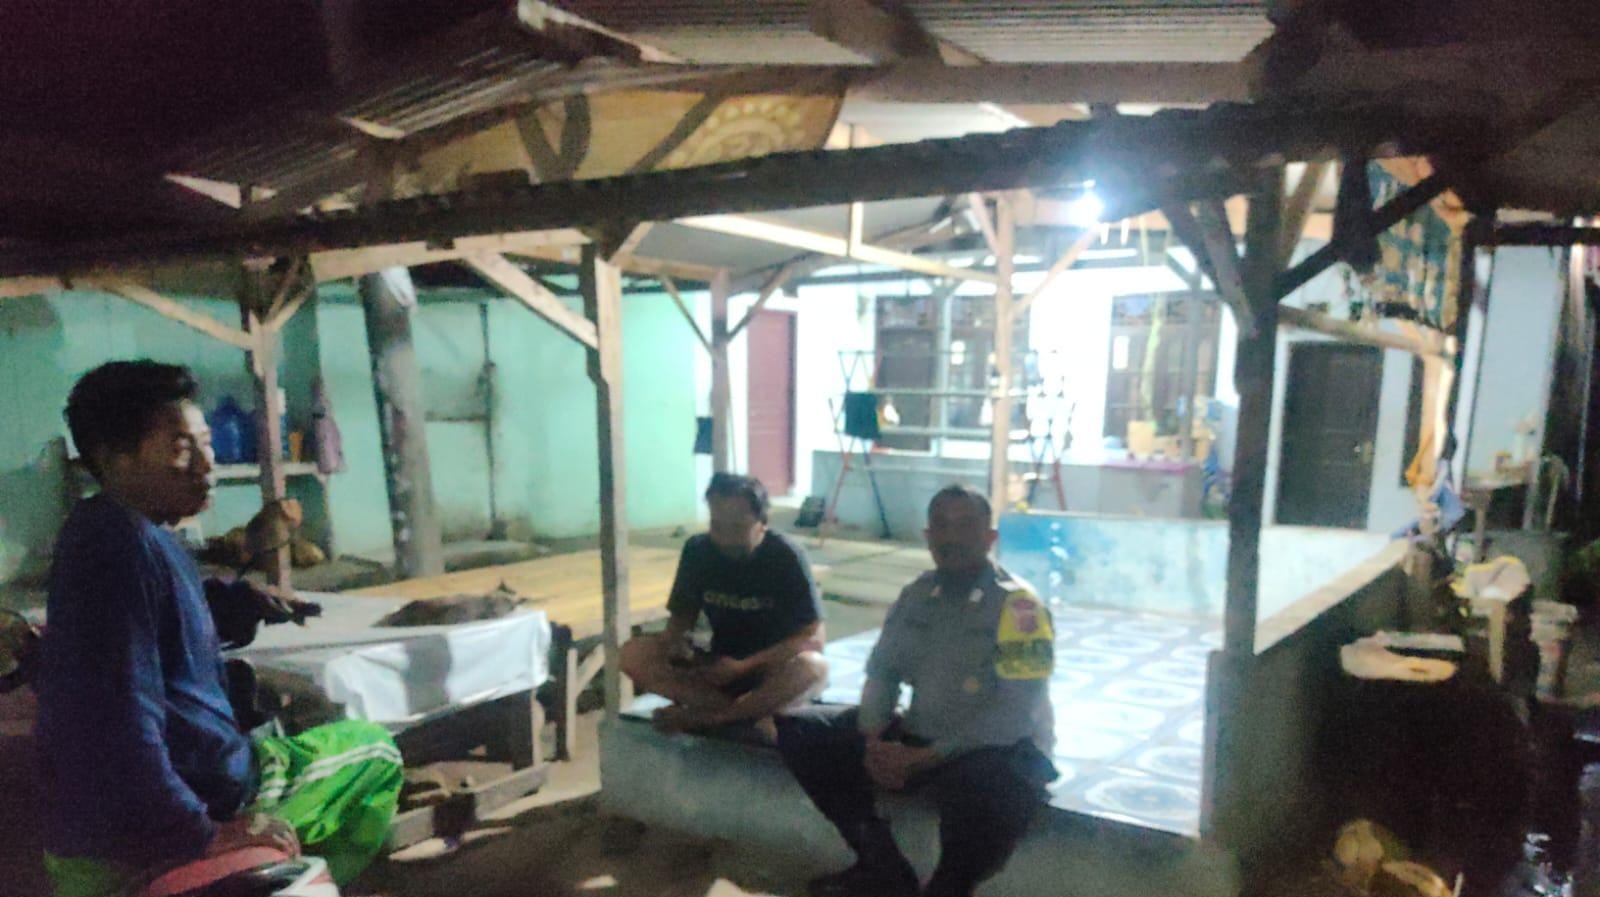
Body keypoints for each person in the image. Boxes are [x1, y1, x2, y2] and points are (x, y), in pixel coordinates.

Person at [35, 360, 403, 897]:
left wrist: (237, 605)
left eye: (206, 444)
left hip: (106, 826)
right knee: (374, 752)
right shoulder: (124, 548)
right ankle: (256, 873)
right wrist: (200, 834)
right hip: (166, 822)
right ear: (112, 456)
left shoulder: (119, 531)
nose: (207, 464)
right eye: (181, 448)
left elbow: (158, 622)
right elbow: (118, 722)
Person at [775, 484, 1058, 897]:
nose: (951, 537)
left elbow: (1014, 716)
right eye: (941, 525)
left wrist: (926, 757)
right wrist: (873, 741)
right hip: (922, 738)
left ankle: (950, 885)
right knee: (802, 728)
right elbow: (883, 673)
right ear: (927, 536)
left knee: (988, 786)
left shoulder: (1019, 607)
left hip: (996, 750)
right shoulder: (917, 595)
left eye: (965, 525)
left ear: (990, 537)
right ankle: (880, 864)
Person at [621, 472, 826, 734]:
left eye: (737, 529)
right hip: (718, 665)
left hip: (771, 668)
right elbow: (681, 617)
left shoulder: (786, 556)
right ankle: (743, 713)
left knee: (812, 668)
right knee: (633, 653)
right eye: (717, 527)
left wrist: (743, 666)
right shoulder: (698, 550)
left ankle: (714, 718)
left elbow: (811, 638)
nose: (725, 539)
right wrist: (676, 643)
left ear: (762, 523)